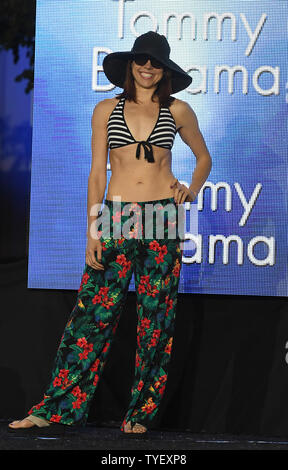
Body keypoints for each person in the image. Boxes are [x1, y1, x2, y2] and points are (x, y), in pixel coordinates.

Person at [8, 31, 212, 436]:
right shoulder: (106, 109)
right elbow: (97, 172)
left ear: (165, 70)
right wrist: (92, 229)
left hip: (162, 218)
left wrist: (192, 188)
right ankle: (54, 409)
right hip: (116, 217)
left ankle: (139, 414)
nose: (148, 68)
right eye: (142, 61)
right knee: (90, 320)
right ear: (130, 65)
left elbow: (204, 157)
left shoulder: (180, 110)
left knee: (156, 321)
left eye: (156, 63)